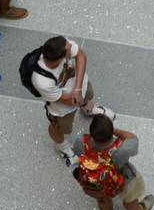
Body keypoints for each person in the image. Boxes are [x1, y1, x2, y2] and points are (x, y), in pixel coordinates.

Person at [32, 35, 116, 167]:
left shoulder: (61, 44)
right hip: (61, 107)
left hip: (79, 86)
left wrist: (78, 89)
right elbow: (66, 100)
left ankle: (87, 108)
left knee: (87, 95)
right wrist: (77, 96)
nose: (71, 45)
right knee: (59, 127)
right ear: (60, 59)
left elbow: (81, 55)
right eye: (68, 48)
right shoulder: (42, 81)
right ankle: (61, 146)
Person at [72, 115, 154, 210]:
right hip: (123, 180)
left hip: (97, 182)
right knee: (130, 198)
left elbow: (79, 155)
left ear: (91, 132)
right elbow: (132, 138)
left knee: (102, 197)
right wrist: (113, 130)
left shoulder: (81, 142)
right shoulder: (122, 149)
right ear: (111, 132)